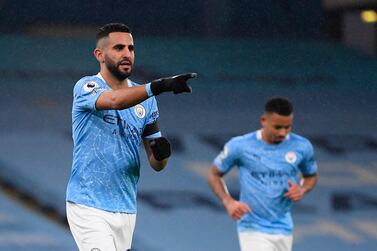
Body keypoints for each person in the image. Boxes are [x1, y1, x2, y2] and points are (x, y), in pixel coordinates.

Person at [66, 23, 196, 251]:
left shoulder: (146, 101)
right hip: (88, 204)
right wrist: (161, 85)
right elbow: (115, 100)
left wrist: (162, 153)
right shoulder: (87, 87)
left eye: (131, 48)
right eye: (118, 48)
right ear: (100, 54)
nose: (127, 54)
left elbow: (156, 163)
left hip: (125, 207)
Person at [207, 96, 318, 251]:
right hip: (252, 226)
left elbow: (311, 176)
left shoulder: (302, 146)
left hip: (283, 226)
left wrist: (302, 189)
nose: (283, 133)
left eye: (288, 127)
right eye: (277, 127)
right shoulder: (240, 146)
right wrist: (228, 201)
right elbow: (214, 174)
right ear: (264, 120)